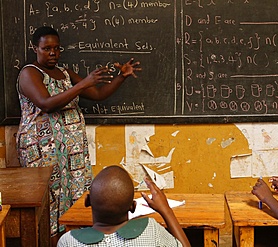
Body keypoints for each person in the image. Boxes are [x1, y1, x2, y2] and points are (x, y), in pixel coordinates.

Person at [15, 26, 142, 245]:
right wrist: (83, 83)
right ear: (35, 48)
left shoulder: (65, 73)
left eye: (56, 48)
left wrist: (122, 77)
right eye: (46, 48)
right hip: (43, 153)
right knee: (49, 201)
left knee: (75, 197)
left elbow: (98, 94)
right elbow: (46, 104)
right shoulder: (29, 73)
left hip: (73, 154)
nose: (53, 53)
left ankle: (73, 242)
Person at [57, 165, 191, 247]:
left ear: (87, 201)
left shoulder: (68, 242)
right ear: (133, 207)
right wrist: (166, 210)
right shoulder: (152, 230)